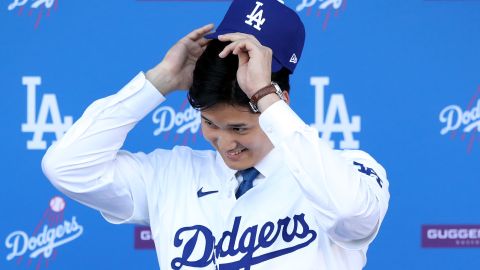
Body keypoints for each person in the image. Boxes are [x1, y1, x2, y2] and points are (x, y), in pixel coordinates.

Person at [42, 0, 390, 269]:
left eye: (239, 128)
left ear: (281, 102)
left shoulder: (346, 171)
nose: (226, 143)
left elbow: (352, 219)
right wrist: (158, 81)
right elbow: (67, 167)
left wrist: (264, 97)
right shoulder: (170, 174)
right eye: (210, 124)